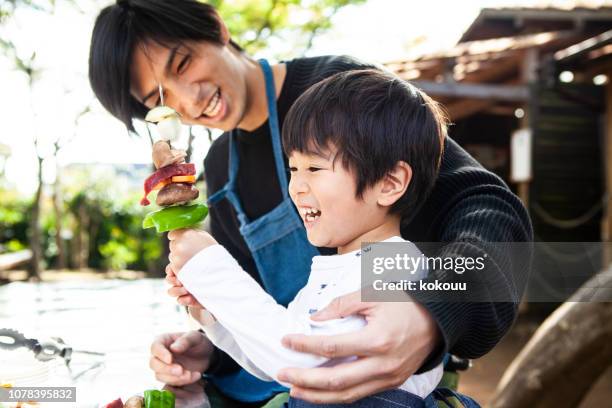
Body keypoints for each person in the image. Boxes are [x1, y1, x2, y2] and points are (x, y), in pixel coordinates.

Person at [88, 0, 533, 405]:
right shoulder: (220, 167)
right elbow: (277, 319)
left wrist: (430, 312)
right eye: (159, 100)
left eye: (183, 63)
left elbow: (491, 211)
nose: (189, 99)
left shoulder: (343, 97)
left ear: (217, 28)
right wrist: (212, 339)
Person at [165, 69, 481, 407]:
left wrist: (210, 268)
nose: (297, 187)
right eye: (293, 169)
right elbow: (275, 366)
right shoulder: (332, 270)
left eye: (314, 169)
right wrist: (211, 314)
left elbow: (301, 357)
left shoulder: (395, 265)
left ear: (389, 182)